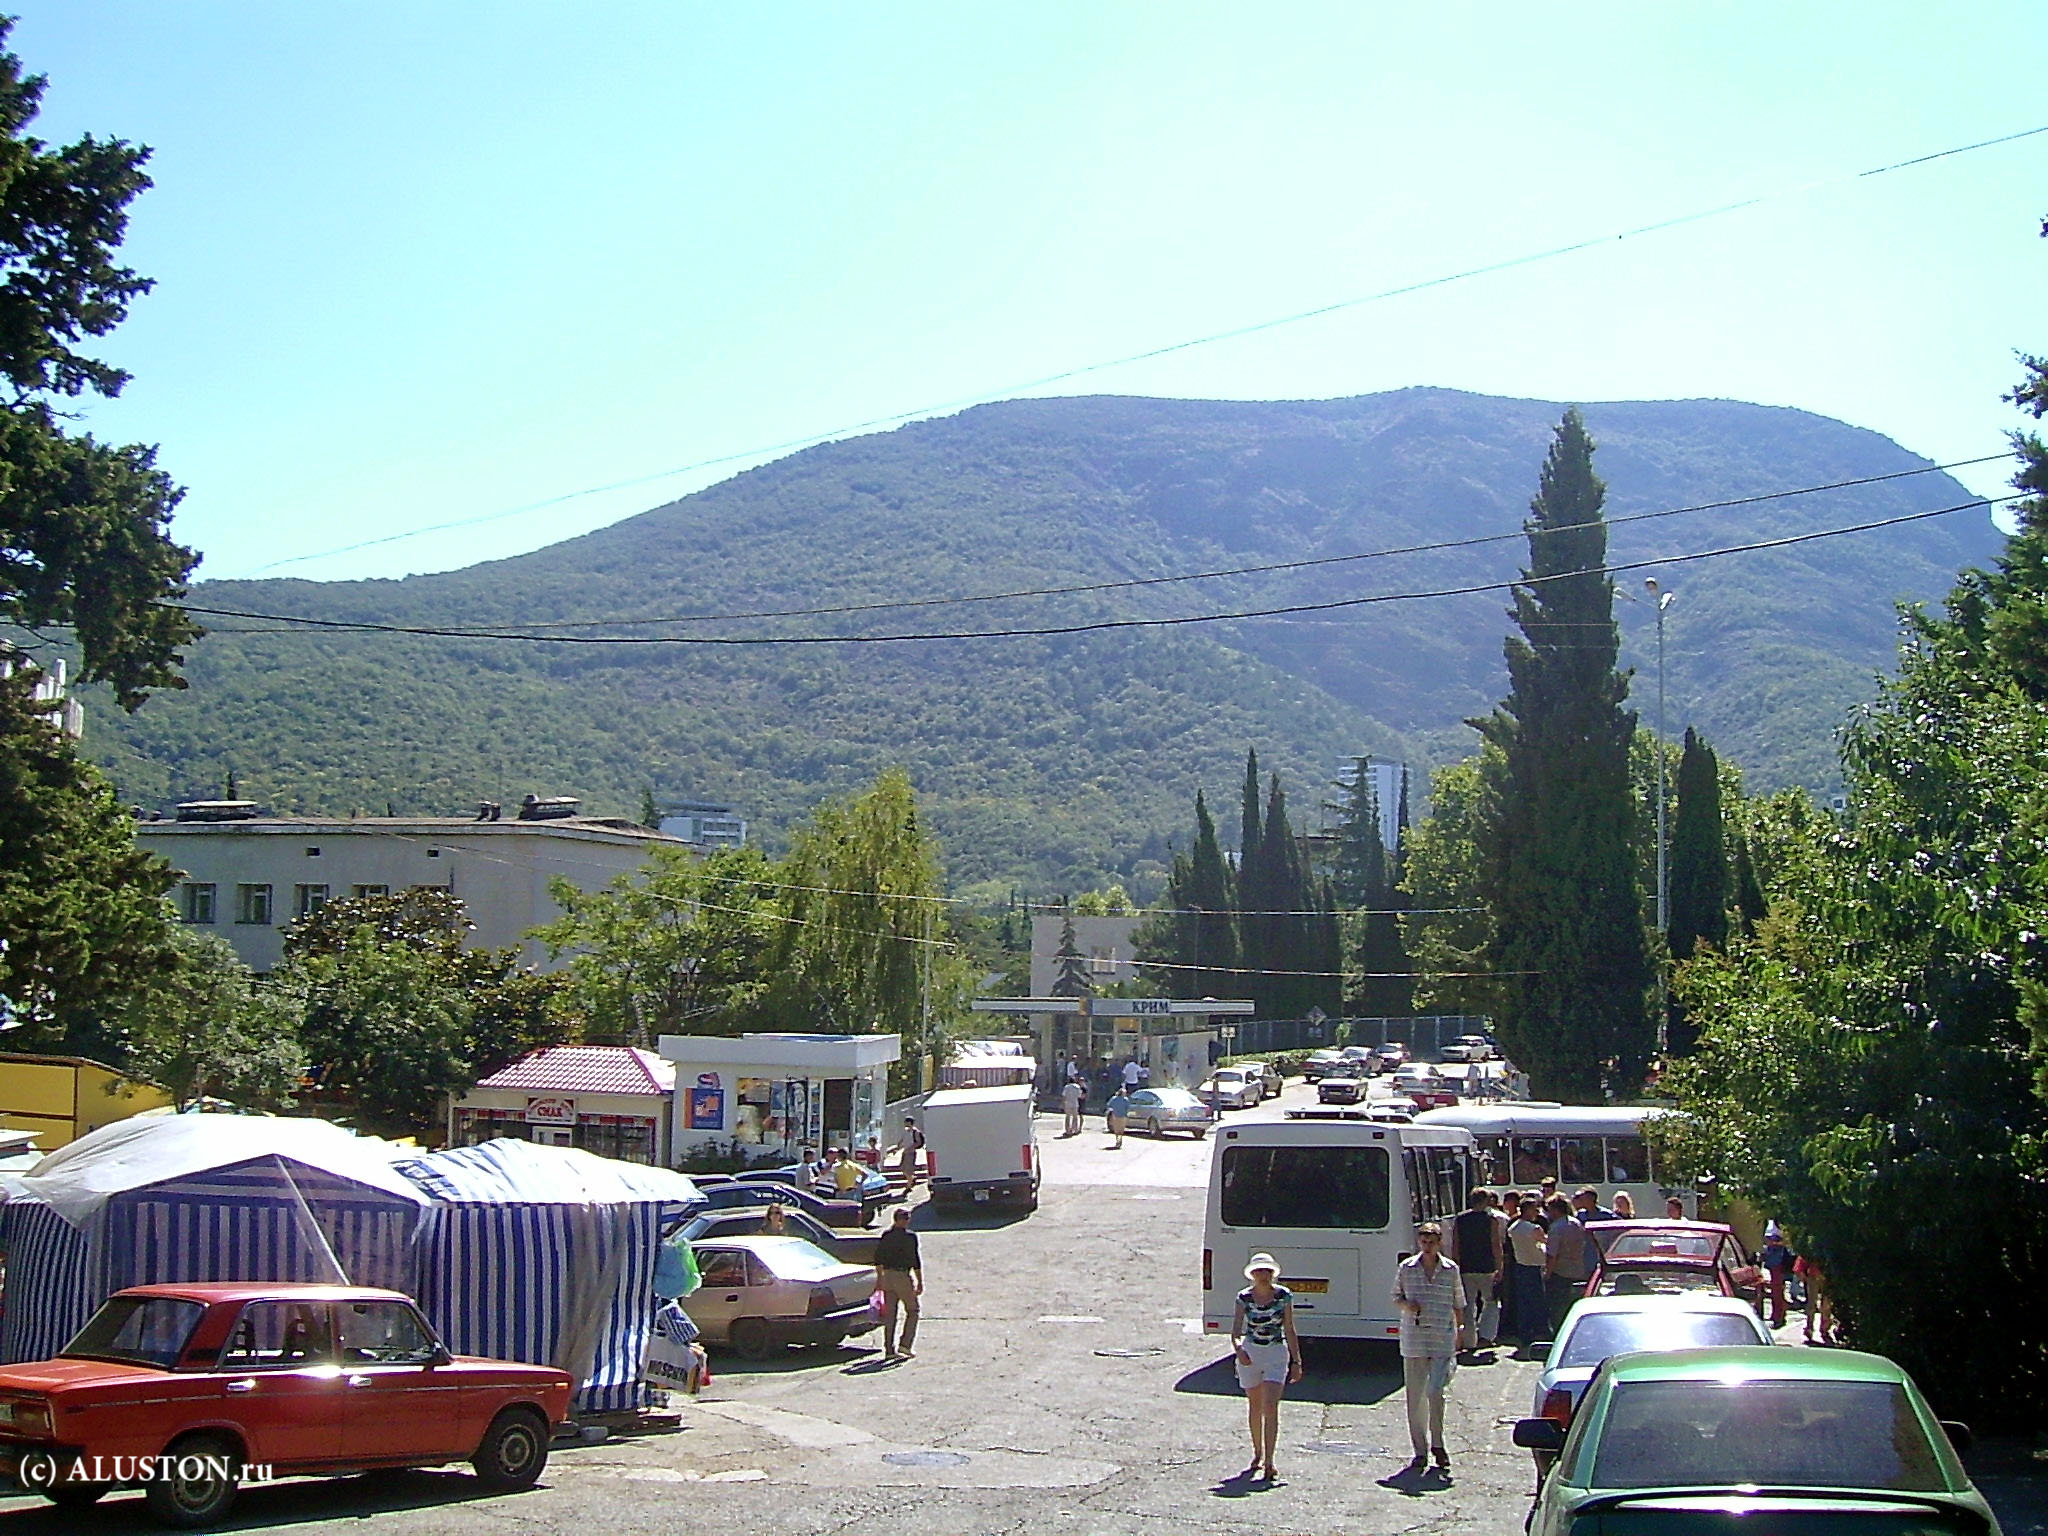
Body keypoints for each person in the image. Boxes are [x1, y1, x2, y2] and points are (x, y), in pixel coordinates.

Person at [1392, 1223, 1465, 1473]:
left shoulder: (1450, 1269)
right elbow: (1395, 1296)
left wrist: (1461, 1330)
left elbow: (1459, 1302)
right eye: (1423, 1240)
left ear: (1439, 1242)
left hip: (1442, 1338)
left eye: (1431, 1241)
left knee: (1435, 1391)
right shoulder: (1407, 1268)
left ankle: (1438, 1443)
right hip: (1415, 1338)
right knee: (1415, 1398)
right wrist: (1407, 1305)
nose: (1427, 1245)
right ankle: (1420, 1451)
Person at [1230, 1253, 1302, 1483]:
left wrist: (1296, 1361)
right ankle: (1257, 1452)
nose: (1263, 1275)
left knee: (1270, 1406)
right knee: (1255, 1405)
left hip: (1275, 1352)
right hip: (1251, 1353)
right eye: (1259, 1271)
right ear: (1252, 1274)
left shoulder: (1283, 1296)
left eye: (1267, 1271)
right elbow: (1236, 1332)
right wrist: (1239, 1350)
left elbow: (1289, 1328)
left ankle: (1270, 1461)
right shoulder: (1244, 1297)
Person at [1446, 1188, 1502, 1353]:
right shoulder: (1491, 1220)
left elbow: (1455, 1245)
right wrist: (1500, 1266)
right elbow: (1495, 1244)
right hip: (1487, 1267)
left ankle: (1469, 1340)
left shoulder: (1460, 1219)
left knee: (1468, 1304)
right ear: (1486, 1201)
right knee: (1491, 1302)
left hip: (1466, 1267)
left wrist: (1456, 1265)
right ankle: (1486, 1336)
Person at [873, 1207, 923, 1361]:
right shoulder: (910, 1237)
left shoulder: (886, 1236)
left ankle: (889, 1349)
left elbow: (878, 1259)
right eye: (906, 1219)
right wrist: (920, 1281)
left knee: (890, 1315)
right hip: (902, 1276)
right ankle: (905, 1344)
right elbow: (915, 1260)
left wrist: (880, 1279)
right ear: (902, 1220)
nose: (908, 1222)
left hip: (887, 1276)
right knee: (913, 1310)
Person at [1542, 1196, 1594, 1335]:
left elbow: (1552, 1254)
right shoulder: (1576, 1224)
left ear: (1555, 1210)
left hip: (1560, 1272)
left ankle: (1559, 1334)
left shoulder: (1556, 1228)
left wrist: (1547, 1273)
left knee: (1558, 1308)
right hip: (1577, 1270)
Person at [1505, 1194, 1549, 1343]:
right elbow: (1546, 1242)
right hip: (1534, 1266)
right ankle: (1540, 1331)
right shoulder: (1534, 1228)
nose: (1537, 1213)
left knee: (1523, 1302)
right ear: (1528, 1210)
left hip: (1520, 1266)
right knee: (1538, 1302)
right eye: (1535, 1209)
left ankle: (1524, 1332)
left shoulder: (1513, 1227)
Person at [1759, 1221, 1794, 1328]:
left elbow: (1786, 1242)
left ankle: (1778, 1316)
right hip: (1773, 1262)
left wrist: (1776, 1243)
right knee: (1776, 1291)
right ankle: (1778, 1315)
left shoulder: (1782, 1227)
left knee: (1777, 1291)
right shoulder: (1772, 1224)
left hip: (1778, 1262)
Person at [1796, 1252, 1835, 1345]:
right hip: (1818, 1275)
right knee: (1819, 1303)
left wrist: (1801, 1272)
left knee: (1818, 1303)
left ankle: (1817, 1328)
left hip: (1818, 1275)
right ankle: (1819, 1328)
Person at [895, 1117, 923, 1189]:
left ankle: (909, 1185)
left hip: (911, 1153)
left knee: (908, 1170)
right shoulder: (905, 1131)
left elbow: (918, 1142)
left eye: (906, 1122)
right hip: (905, 1152)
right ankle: (912, 1179)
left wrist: (911, 1148)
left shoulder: (915, 1132)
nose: (905, 1123)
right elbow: (902, 1140)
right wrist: (898, 1146)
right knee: (903, 1168)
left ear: (910, 1122)